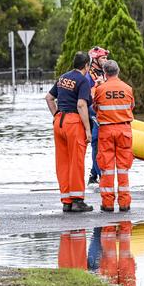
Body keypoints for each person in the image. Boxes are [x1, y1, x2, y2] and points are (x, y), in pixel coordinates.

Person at [45, 52, 93, 213]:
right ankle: (78, 201)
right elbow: (81, 105)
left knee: (63, 162)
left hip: (59, 121)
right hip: (73, 122)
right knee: (76, 162)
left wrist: (56, 115)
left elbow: (49, 98)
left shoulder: (63, 78)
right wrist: (87, 129)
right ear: (86, 65)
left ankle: (66, 201)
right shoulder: (83, 81)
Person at [93, 60, 135, 212]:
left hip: (106, 130)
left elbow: (95, 107)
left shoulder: (100, 89)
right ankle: (124, 203)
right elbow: (131, 107)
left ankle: (108, 204)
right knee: (123, 168)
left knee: (106, 168)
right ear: (118, 71)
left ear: (105, 73)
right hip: (124, 130)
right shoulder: (128, 88)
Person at [87, 46, 110, 185]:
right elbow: (88, 97)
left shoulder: (105, 73)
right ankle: (101, 176)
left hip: (103, 113)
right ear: (95, 60)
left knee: (100, 145)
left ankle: (92, 174)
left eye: (106, 58)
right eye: (103, 58)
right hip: (94, 114)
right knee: (96, 143)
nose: (105, 60)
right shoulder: (89, 76)